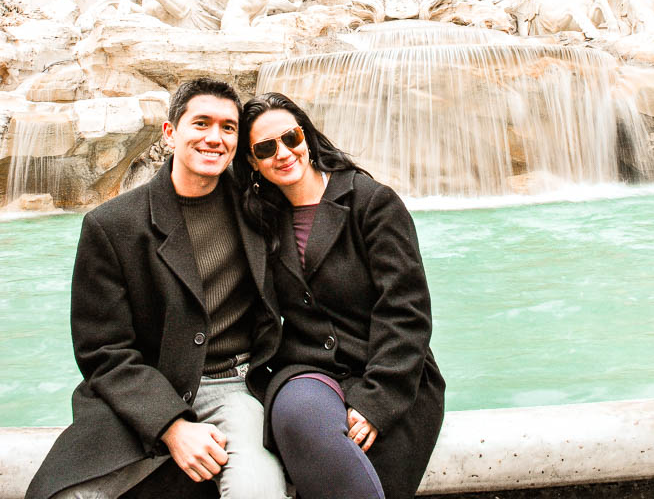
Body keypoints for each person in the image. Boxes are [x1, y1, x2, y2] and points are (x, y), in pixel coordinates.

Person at [27, 78, 287, 499]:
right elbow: (102, 350)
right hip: (148, 385)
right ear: (170, 134)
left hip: (234, 385)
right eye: (201, 123)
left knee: (258, 489)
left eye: (228, 127)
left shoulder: (259, 209)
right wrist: (171, 425)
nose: (214, 138)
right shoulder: (111, 225)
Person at [233, 92, 445, 499]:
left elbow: (406, 310)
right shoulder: (260, 217)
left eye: (291, 138)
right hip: (308, 370)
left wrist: (376, 402)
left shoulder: (371, 201)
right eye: (265, 148)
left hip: (392, 375)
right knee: (298, 416)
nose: (283, 153)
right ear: (252, 162)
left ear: (307, 137)